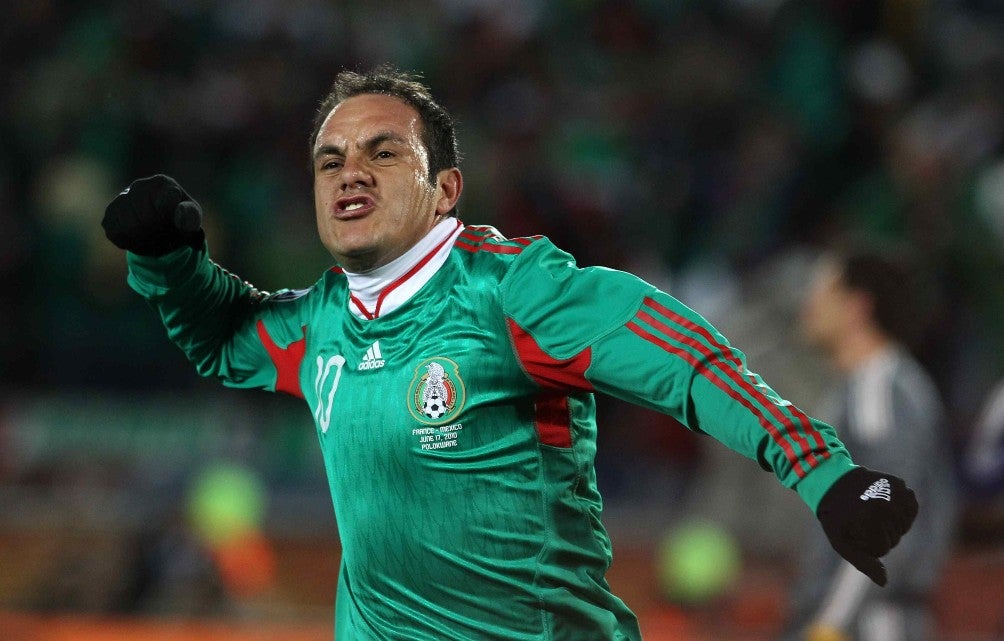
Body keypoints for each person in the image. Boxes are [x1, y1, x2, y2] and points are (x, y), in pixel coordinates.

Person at [102, 66, 918, 641]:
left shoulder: (512, 291)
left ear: (446, 190)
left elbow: (687, 360)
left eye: (384, 152)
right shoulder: (321, 322)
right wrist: (170, 264)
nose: (350, 171)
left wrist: (825, 473)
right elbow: (222, 337)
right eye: (330, 159)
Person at [780, 244, 956, 641]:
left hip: (868, 626)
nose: (807, 304)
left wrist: (830, 623)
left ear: (856, 306)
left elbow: (886, 523)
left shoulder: (879, 393)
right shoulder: (867, 389)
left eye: (821, 291)